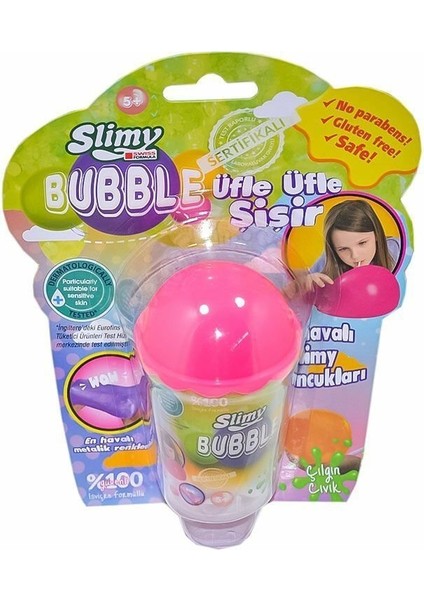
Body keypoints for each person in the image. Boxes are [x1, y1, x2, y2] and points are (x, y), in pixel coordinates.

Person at [310, 199, 400, 288]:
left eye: (362, 243)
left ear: (377, 234)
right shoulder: (326, 262)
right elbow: (306, 281)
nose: (355, 256)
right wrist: (307, 286)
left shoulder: (396, 249)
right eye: (343, 249)